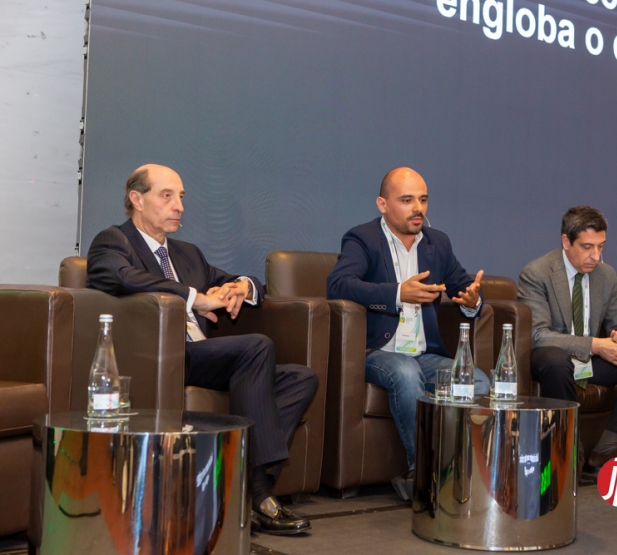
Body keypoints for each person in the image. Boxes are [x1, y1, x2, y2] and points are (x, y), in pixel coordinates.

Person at [86, 164, 317, 535]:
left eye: (181, 197)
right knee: (256, 346)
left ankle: (240, 484)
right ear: (137, 199)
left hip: (205, 357)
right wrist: (196, 299)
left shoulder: (187, 254)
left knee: (301, 378)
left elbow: (234, 280)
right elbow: (119, 276)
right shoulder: (114, 242)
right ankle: (258, 494)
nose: (179, 206)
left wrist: (242, 287)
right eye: (167, 196)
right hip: (164, 358)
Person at [326, 167, 489, 501]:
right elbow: (339, 285)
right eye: (407, 200)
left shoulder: (437, 243)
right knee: (405, 371)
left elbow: (463, 286)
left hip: (425, 353)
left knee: (479, 382)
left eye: (423, 200)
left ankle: (457, 469)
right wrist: (399, 293)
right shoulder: (362, 239)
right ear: (383, 204)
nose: (418, 208)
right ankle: (423, 472)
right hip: (378, 351)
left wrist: (473, 300)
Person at [517, 206, 617, 478]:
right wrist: (596, 345)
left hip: (588, 365)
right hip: (554, 363)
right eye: (587, 247)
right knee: (555, 359)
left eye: (600, 246)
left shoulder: (606, 276)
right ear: (566, 241)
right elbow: (538, 335)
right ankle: (569, 452)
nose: (595, 256)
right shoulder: (537, 273)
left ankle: (606, 449)